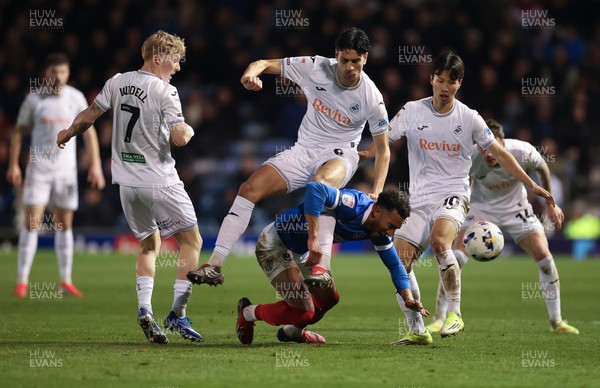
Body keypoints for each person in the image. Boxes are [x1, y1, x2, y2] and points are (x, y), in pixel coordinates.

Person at [361, 52, 556, 344]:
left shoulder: (469, 118)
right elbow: (385, 140)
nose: (444, 87)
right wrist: (362, 153)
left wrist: (530, 184)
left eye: (450, 82)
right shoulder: (413, 110)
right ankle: (417, 330)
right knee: (399, 263)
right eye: (439, 80)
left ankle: (455, 313)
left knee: (441, 241)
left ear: (458, 83)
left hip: (453, 193)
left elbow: (501, 153)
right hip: (418, 198)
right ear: (431, 79)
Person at [187, 27, 391, 286]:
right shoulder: (315, 66)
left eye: (356, 61)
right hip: (303, 150)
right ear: (336, 54)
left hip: (341, 155)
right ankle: (214, 264)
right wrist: (250, 75)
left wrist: (377, 191)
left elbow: (383, 150)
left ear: (365, 59)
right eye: (345, 60)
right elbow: (261, 63)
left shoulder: (371, 97)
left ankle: (320, 262)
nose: (350, 67)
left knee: (319, 185)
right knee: (248, 189)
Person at [57, 31, 202, 344]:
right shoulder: (167, 91)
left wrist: (67, 133)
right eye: (175, 59)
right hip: (159, 180)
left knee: (150, 245)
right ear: (158, 55)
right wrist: (189, 130)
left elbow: (88, 117)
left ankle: (145, 309)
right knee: (191, 241)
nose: (177, 67)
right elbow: (179, 138)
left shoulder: (117, 81)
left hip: (126, 183)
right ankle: (178, 312)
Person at [426, 119, 579, 334]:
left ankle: (557, 321)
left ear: (502, 143)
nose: (488, 154)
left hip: (515, 208)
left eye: (493, 148)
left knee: (545, 260)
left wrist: (550, 204)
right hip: (479, 208)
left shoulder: (522, 151)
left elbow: (542, 167)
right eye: (483, 148)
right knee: (456, 258)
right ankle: (440, 318)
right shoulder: (470, 158)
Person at [234, 182, 429, 345]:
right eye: (391, 226)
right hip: (277, 244)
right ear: (376, 211)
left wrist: (408, 297)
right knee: (303, 312)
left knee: (329, 298)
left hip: (306, 252)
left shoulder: (378, 231)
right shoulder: (353, 203)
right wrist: (312, 238)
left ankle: (293, 332)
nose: (391, 233)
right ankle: (248, 313)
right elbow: (314, 188)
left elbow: (396, 266)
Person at [7, 53, 105, 298]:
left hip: (66, 172)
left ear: (68, 73)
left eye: (62, 72)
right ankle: (22, 281)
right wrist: (14, 165)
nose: (58, 77)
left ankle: (66, 280)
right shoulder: (34, 99)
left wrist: (95, 164)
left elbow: (89, 133)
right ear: (46, 74)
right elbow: (18, 132)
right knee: (32, 223)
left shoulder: (75, 97)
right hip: (39, 170)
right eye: (54, 72)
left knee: (64, 225)